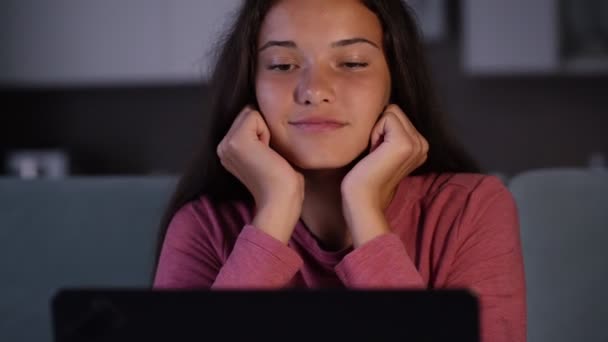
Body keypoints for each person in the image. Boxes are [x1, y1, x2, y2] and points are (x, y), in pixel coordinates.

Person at [153, 0, 526, 341]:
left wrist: (365, 210)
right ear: (250, 89)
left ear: (394, 83)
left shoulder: (472, 208)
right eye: (283, 65)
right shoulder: (203, 225)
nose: (314, 90)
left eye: (351, 63)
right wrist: (273, 215)